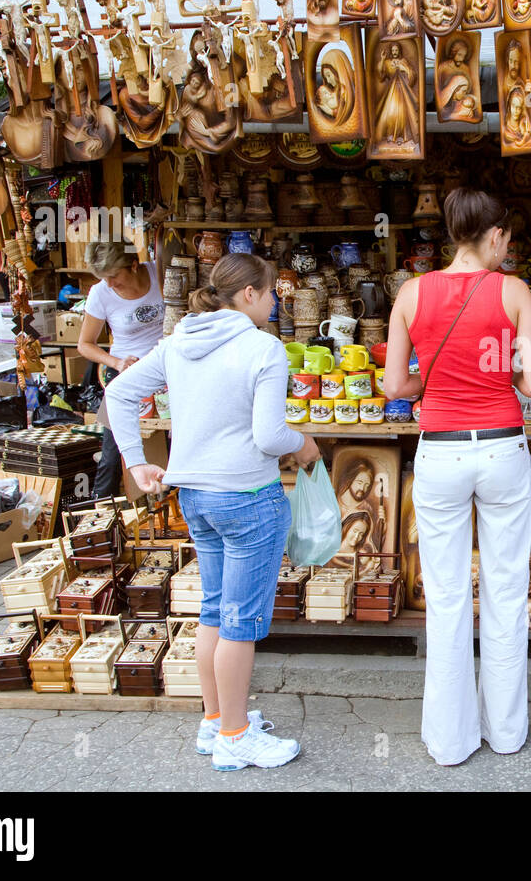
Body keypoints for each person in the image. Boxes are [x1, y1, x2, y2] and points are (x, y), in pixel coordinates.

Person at [107, 253, 321, 771]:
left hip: (195, 496)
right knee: (240, 623)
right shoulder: (262, 348)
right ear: (249, 295)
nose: (274, 303)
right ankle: (235, 734)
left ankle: (214, 720)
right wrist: (305, 444)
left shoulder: (178, 342)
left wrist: (138, 465)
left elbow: (118, 392)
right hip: (248, 497)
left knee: (214, 611)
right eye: (271, 293)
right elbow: (271, 435)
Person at [383, 187, 531, 767]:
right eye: (508, 238)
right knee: (506, 591)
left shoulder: (410, 294)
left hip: (441, 452)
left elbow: (395, 388)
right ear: (495, 236)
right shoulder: (514, 292)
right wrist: (500, 374)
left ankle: (451, 742)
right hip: (502, 450)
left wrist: (435, 378)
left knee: (448, 596)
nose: (509, 246)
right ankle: (505, 732)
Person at [78, 241, 168, 499]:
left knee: (177, 442)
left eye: (114, 276)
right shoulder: (100, 294)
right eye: (103, 278)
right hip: (125, 373)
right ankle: (102, 512)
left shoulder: (158, 273)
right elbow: (84, 344)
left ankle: (173, 504)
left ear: (133, 264)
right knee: (112, 450)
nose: (109, 283)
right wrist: (116, 363)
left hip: (166, 370)